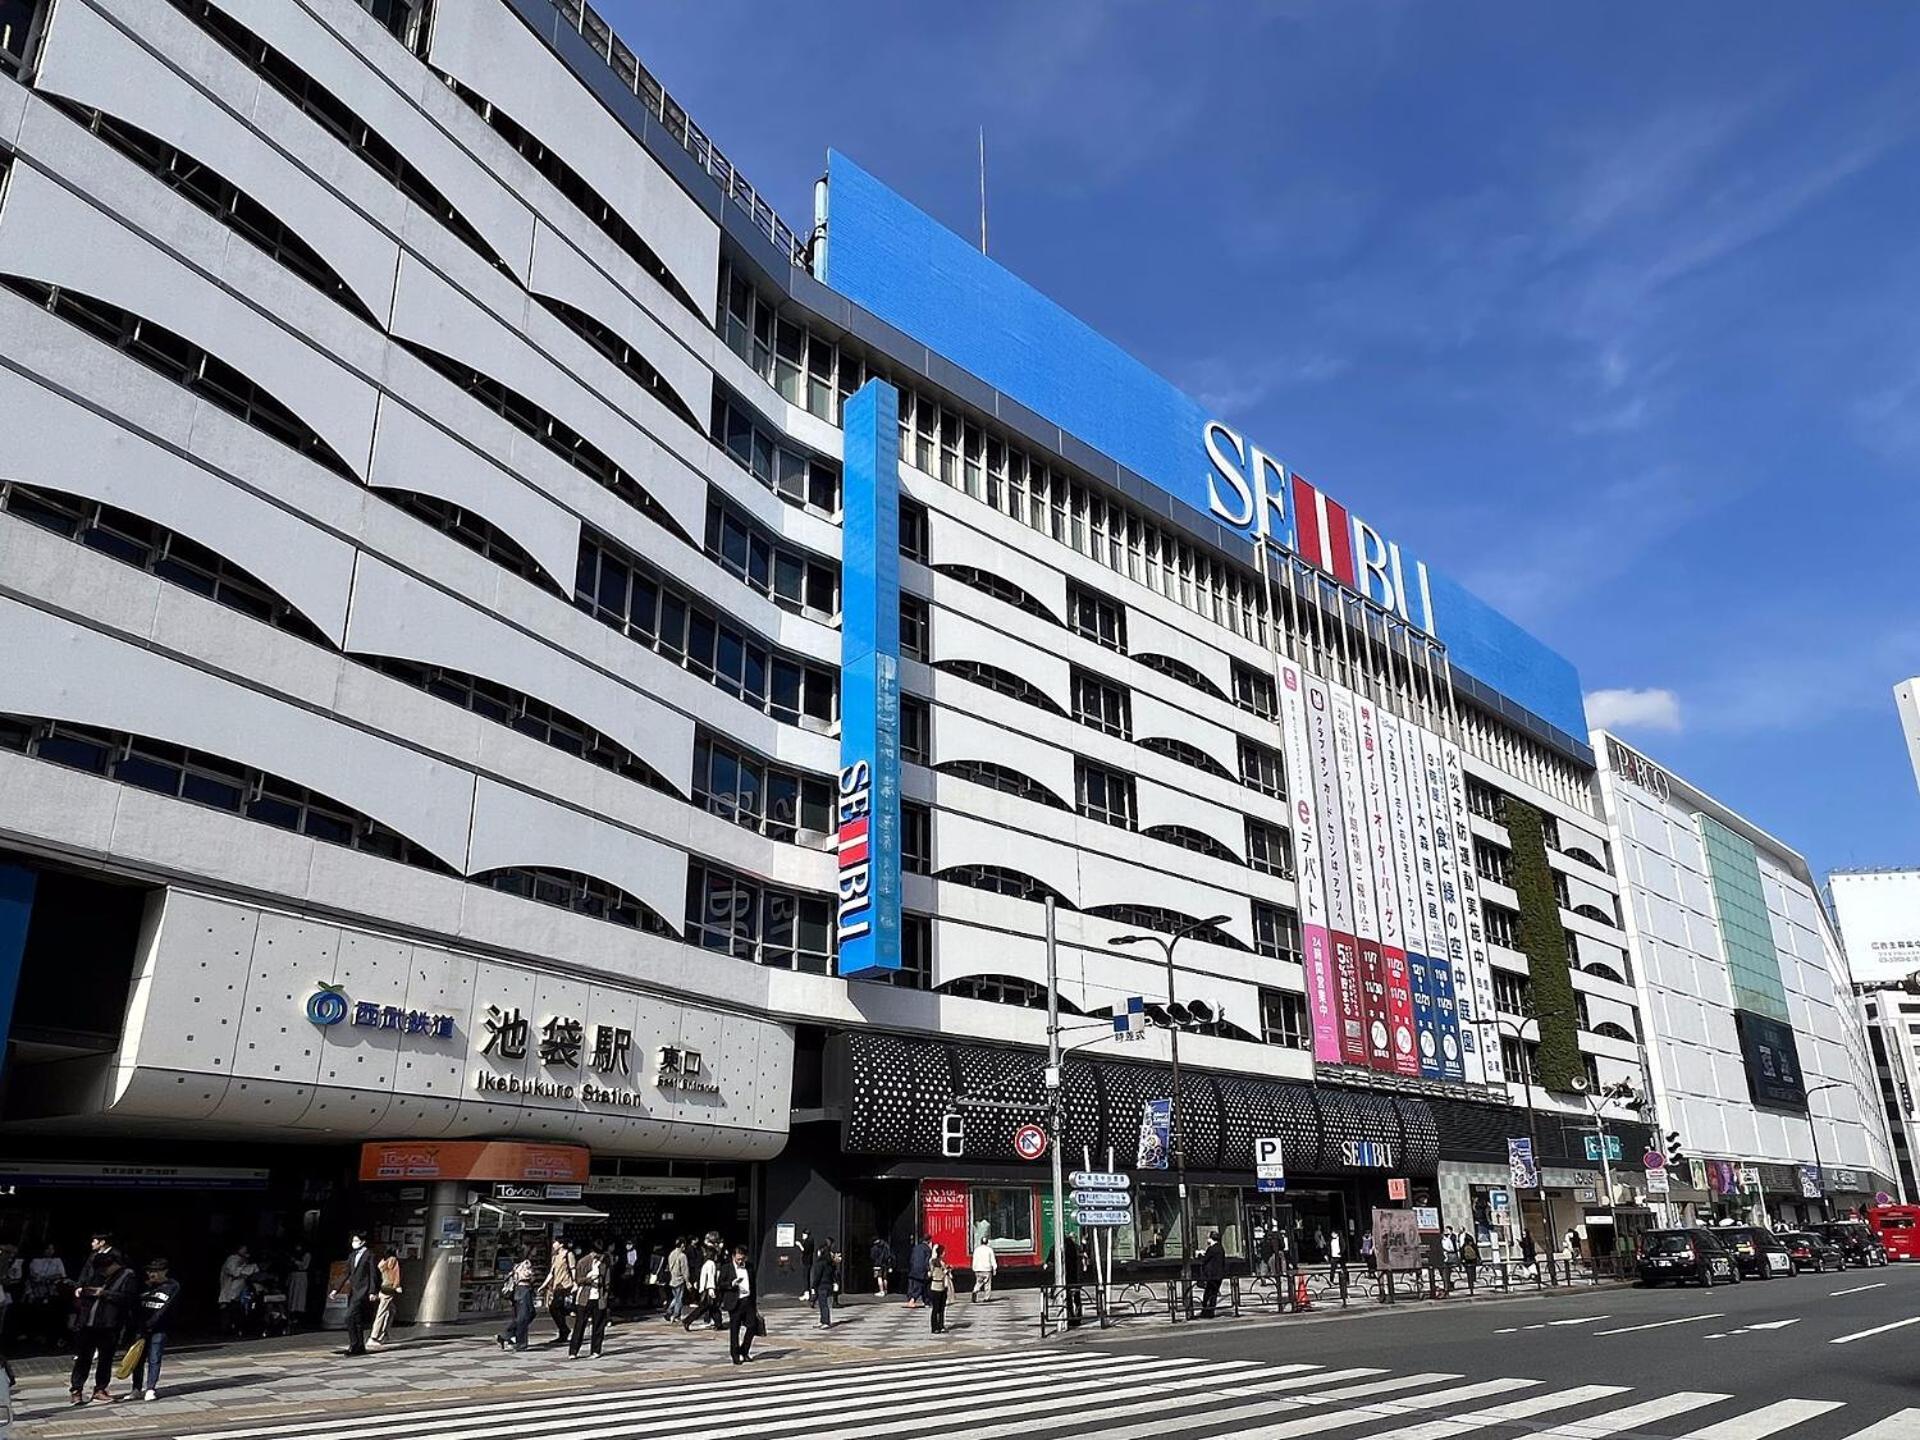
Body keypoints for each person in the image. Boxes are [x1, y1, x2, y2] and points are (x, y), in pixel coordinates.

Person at [69, 1249, 136, 1405]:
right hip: (88, 1323)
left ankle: (100, 1389)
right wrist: (84, 1292)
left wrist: (104, 1293)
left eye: (105, 1268)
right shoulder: (96, 1274)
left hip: (109, 1324)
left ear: (114, 1264)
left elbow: (129, 1298)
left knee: (106, 1358)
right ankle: (76, 1389)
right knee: (83, 1358)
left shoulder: (127, 1276)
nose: (103, 1272)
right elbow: (83, 1289)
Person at [132, 1257, 180, 1402]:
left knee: (154, 1357)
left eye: (156, 1271)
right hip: (141, 1327)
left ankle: (151, 1388)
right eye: (150, 1271)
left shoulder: (172, 1286)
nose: (152, 1274)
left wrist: (152, 1323)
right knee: (137, 1359)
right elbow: (135, 1304)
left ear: (165, 1271)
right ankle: (136, 1388)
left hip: (159, 1327)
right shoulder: (144, 1285)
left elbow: (167, 1308)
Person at [329, 1233, 375, 1356]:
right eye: (353, 1240)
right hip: (353, 1291)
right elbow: (346, 1273)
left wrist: (372, 1291)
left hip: (363, 1290)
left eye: (356, 1240)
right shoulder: (352, 1255)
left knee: (349, 1316)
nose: (353, 1243)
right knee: (357, 1319)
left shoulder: (369, 1255)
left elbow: (373, 1274)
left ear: (363, 1242)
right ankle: (360, 1346)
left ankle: (354, 1345)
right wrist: (336, 1290)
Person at [568, 1244, 611, 1358]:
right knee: (580, 1324)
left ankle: (596, 1350)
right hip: (584, 1297)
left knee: (598, 1325)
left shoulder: (604, 1263)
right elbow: (578, 1279)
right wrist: (589, 1279)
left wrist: (605, 1296)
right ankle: (573, 1351)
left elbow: (607, 1281)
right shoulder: (583, 1262)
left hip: (599, 1297)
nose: (601, 1257)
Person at [496, 1244, 538, 1353]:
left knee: (527, 1314)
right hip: (523, 1290)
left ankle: (507, 1335)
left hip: (519, 1291)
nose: (535, 1253)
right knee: (523, 1317)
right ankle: (518, 1341)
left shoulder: (517, 1265)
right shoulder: (526, 1263)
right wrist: (533, 1275)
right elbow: (528, 1276)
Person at [25, 1243, 68, 1347]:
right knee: (39, 1315)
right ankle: (39, 1337)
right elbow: (35, 1276)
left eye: (52, 1249)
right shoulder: (35, 1261)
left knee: (53, 1315)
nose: (50, 1251)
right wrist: (47, 1278)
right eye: (48, 1249)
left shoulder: (57, 1260)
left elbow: (61, 1274)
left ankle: (53, 1338)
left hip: (53, 1292)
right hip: (39, 1292)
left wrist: (47, 1278)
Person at [538, 1239, 576, 1344]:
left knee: (555, 1308)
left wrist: (575, 1283)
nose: (553, 1244)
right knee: (557, 1310)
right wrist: (543, 1286)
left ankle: (564, 1330)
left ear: (561, 1244)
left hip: (566, 1286)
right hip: (557, 1287)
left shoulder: (568, 1254)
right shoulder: (555, 1257)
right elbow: (551, 1273)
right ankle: (563, 1332)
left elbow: (573, 1269)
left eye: (555, 1242)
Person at [727, 1246, 757, 1365]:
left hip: (748, 1301)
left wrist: (754, 1303)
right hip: (735, 1302)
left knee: (752, 1326)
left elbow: (753, 1285)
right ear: (733, 1257)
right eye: (738, 1259)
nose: (740, 1261)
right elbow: (721, 1283)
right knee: (735, 1330)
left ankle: (744, 1350)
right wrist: (731, 1284)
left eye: (742, 1259)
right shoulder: (727, 1268)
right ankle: (735, 1355)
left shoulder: (749, 1267)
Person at [217, 1244, 257, 1335]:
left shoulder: (244, 1261)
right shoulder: (232, 1259)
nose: (245, 1251)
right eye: (243, 1249)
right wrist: (244, 1267)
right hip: (229, 1293)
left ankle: (237, 1329)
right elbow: (235, 1272)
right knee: (228, 1311)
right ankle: (226, 1331)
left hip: (238, 1293)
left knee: (237, 1312)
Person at [369, 1246, 402, 1347]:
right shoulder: (393, 1260)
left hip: (382, 1288)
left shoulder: (383, 1261)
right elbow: (395, 1274)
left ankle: (384, 1333)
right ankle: (374, 1336)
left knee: (391, 1310)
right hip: (389, 1289)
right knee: (382, 1312)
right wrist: (397, 1286)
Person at [683, 1243, 721, 1331]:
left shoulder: (706, 1263)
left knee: (712, 1307)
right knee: (704, 1308)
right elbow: (710, 1277)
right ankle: (687, 1320)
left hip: (705, 1288)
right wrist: (711, 1288)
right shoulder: (711, 1264)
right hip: (709, 1289)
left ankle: (718, 1323)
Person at [1198, 1230, 1227, 1319]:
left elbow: (1205, 1260)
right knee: (1213, 1294)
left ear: (1211, 1239)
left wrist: (1200, 1254)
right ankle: (1211, 1312)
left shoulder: (1211, 1249)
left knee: (1207, 1294)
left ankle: (1206, 1312)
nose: (1207, 1240)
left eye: (1208, 1238)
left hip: (1211, 1276)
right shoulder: (1220, 1248)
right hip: (1219, 1275)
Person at [811, 1240, 837, 1328]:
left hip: (821, 1285)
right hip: (828, 1284)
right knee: (823, 1303)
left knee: (823, 1304)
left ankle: (826, 1321)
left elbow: (817, 1275)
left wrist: (813, 1286)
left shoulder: (820, 1263)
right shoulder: (830, 1262)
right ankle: (823, 1320)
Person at [926, 1243, 952, 1334]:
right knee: (939, 1308)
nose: (945, 1253)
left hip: (937, 1286)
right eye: (943, 1252)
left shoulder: (935, 1262)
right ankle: (938, 1326)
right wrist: (947, 1270)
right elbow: (940, 1273)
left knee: (938, 1308)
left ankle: (937, 1326)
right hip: (939, 1285)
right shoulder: (938, 1262)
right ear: (941, 1253)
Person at [665, 1237, 690, 1324]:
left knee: (676, 1297)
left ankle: (669, 1311)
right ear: (682, 1245)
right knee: (679, 1299)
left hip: (672, 1279)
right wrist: (687, 1281)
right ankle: (675, 1315)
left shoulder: (671, 1254)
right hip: (680, 1279)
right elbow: (685, 1270)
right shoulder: (682, 1256)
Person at [1062, 1234, 1084, 1329]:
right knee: (1076, 1299)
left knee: (1069, 1299)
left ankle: (1071, 1317)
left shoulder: (1064, 1248)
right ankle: (1077, 1318)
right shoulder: (1077, 1248)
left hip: (1068, 1278)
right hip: (1076, 1278)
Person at [286, 1244, 312, 1325]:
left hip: (301, 1276)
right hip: (293, 1276)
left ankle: (299, 1315)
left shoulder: (306, 1254)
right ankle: (292, 1315)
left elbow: (304, 1266)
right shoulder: (293, 1254)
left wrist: (295, 1261)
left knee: (300, 1296)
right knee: (292, 1296)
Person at [970, 1235, 998, 1303]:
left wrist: (974, 1268)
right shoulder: (989, 1250)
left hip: (978, 1269)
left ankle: (975, 1290)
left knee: (979, 1282)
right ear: (987, 1242)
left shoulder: (977, 1249)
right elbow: (992, 1260)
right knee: (987, 1284)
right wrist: (994, 1268)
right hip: (987, 1269)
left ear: (981, 1242)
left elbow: (974, 1259)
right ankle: (986, 1298)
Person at [906, 1234, 930, 1308]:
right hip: (922, 1270)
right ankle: (913, 1300)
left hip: (913, 1270)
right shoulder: (927, 1249)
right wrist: (928, 1269)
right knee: (920, 1286)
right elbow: (927, 1261)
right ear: (929, 1241)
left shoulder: (916, 1248)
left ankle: (926, 1301)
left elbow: (911, 1259)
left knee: (918, 1286)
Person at [798, 1230, 815, 1301]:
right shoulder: (810, 1242)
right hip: (808, 1262)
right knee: (806, 1277)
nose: (802, 1236)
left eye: (803, 1234)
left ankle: (807, 1293)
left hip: (806, 1262)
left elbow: (804, 1250)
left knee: (805, 1277)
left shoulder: (808, 1242)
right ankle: (807, 1293)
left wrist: (799, 1245)